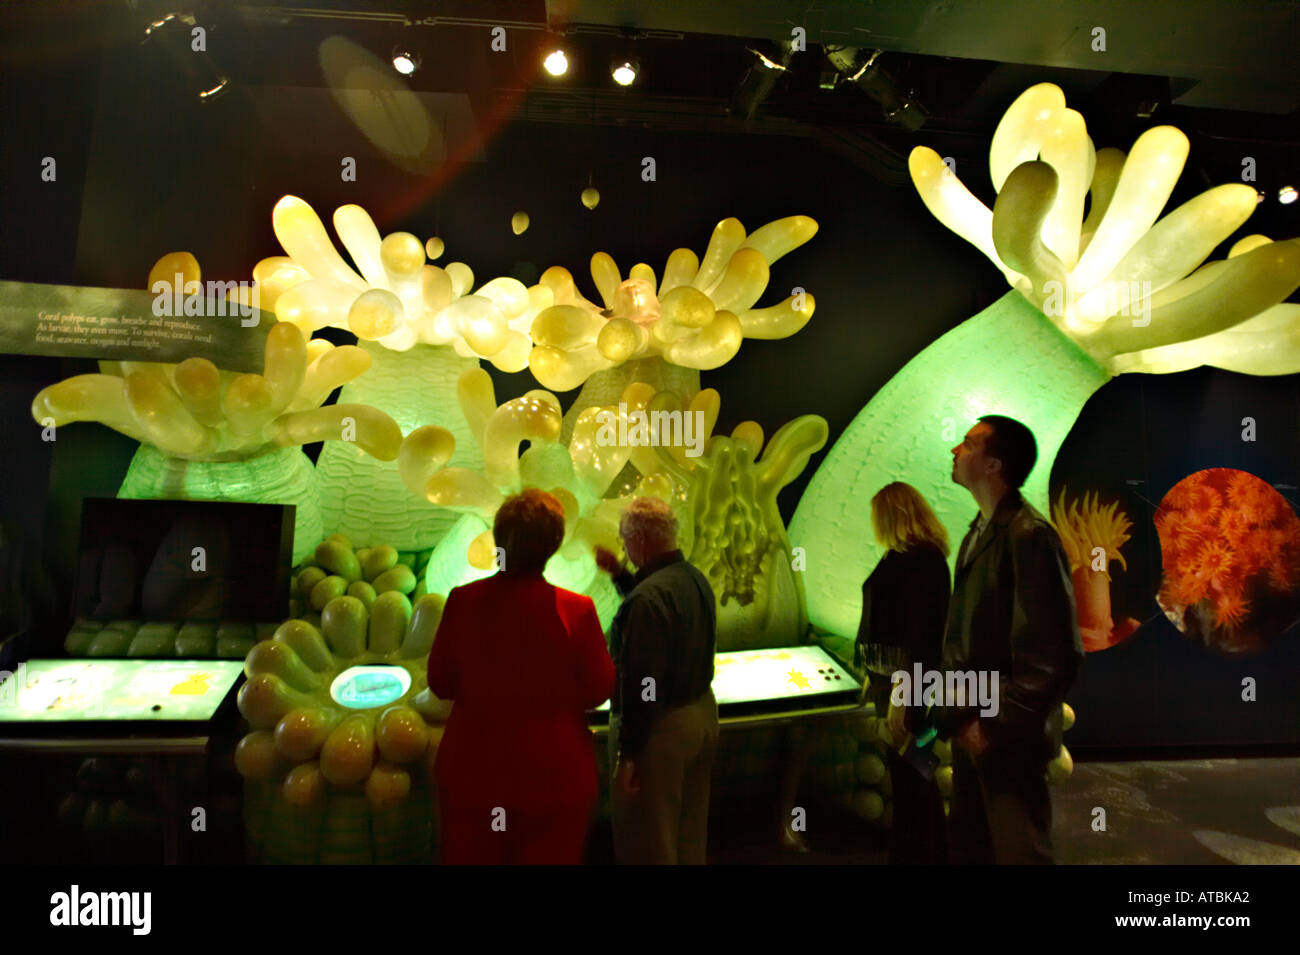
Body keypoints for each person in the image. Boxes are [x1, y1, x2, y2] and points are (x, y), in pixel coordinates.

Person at [427, 489, 614, 865]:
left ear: (499, 539)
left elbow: (440, 682)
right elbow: (599, 689)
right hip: (553, 777)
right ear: (554, 544)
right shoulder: (576, 611)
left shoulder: (462, 602)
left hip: (474, 774)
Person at [939, 415, 1084, 864]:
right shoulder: (978, 532)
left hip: (1004, 738)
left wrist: (995, 724)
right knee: (977, 848)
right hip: (975, 726)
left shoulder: (1028, 536)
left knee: (1019, 850)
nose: (955, 450)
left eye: (968, 443)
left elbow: (1052, 654)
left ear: (994, 464)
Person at [595, 497, 718, 865]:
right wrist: (619, 574)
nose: (625, 548)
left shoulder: (647, 600)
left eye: (625, 540)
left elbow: (643, 683)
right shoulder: (693, 579)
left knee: (648, 841)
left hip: (661, 732)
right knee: (689, 833)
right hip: (702, 715)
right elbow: (655, 604)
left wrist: (630, 754)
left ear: (641, 541)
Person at [857, 482, 950, 865]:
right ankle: (921, 852)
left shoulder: (918, 560)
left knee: (913, 776)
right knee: (912, 775)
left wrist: (903, 697)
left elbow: (918, 636)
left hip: (906, 685)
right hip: (898, 681)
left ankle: (921, 854)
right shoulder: (914, 557)